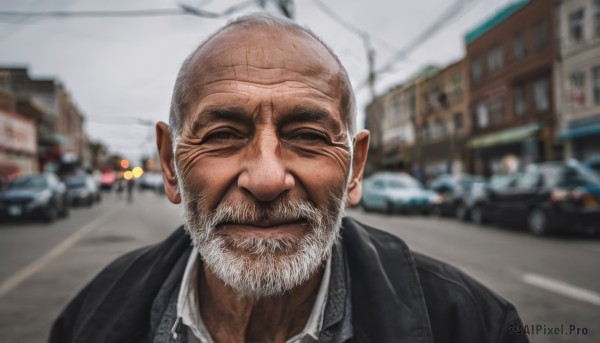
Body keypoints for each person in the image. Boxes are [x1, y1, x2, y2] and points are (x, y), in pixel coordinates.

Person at [50, 13, 528, 343]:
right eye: (221, 134)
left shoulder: (471, 325)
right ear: (171, 165)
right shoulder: (93, 316)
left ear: (355, 168)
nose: (265, 178)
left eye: (307, 135)